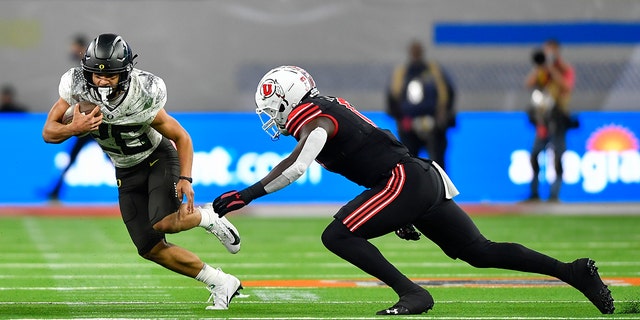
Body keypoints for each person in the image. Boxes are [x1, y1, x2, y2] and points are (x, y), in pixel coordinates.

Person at [212, 65, 613, 315]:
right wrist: (401, 210)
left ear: (288, 100)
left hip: (403, 179)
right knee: (479, 251)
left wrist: (243, 195)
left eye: (271, 108)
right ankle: (573, 272)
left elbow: (297, 166)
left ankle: (412, 293)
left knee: (337, 234)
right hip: (417, 177)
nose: (271, 119)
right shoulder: (327, 107)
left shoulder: (317, 118)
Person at [42, 33, 243, 310]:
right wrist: (72, 129)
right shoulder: (76, 87)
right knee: (149, 248)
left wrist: (185, 178)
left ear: (125, 72)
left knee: (164, 221)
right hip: (125, 169)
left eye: (110, 75)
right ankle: (221, 281)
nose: (102, 80)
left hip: (156, 158)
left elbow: (182, 137)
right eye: (97, 74)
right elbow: (48, 132)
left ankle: (208, 217)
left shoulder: (143, 92)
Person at [386, 40, 456, 171]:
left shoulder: (434, 71)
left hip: (434, 126)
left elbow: (448, 94)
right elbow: (392, 99)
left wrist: (442, 116)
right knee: (410, 164)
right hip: (409, 127)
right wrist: (402, 120)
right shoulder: (401, 73)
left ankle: (441, 189)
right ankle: (414, 189)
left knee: (438, 164)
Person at [524, 38, 576, 202]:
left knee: (558, 155)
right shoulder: (541, 71)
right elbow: (528, 83)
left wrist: (553, 69)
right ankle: (534, 192)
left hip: (559, 117)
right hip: (543, 119)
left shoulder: (565, 69)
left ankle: (554, 193)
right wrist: (541, 68)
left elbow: (566, 87)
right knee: (535, 154)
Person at [47, 34, 96, 201]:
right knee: (72, 158)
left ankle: (55, 191)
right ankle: (55, 191)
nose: (72, 50)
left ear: (81, 48)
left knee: (117, 160)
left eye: (75, 47)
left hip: (95, 121)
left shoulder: (88, 67)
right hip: (85, 122)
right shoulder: (83, 68)